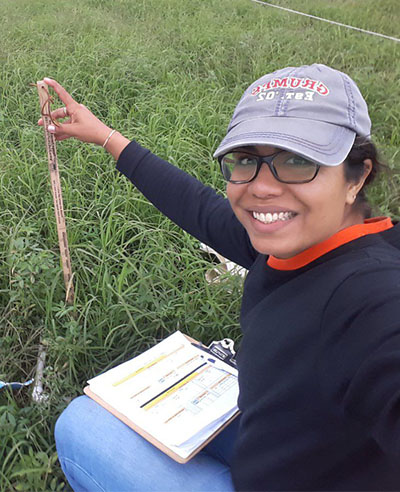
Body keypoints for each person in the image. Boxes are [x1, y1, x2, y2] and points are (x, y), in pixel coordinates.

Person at [40, 64, 400, 491]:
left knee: (81, 427)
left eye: (299, 160)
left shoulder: (372, 297)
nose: (262, 187)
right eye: (246, 159)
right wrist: (105, 136)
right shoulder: (302, 241)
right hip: (288, 443)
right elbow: (200, 208)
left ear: (357, 177)